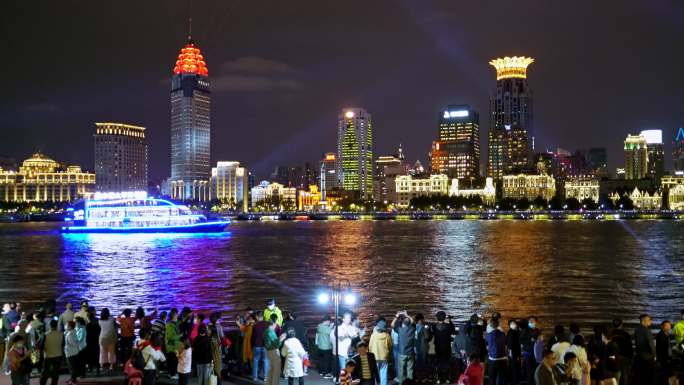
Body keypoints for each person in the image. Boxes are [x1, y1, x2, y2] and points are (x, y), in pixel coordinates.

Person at [392, 310, 415, 384]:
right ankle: (410, 383)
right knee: (410, 370)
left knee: (401, 370)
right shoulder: (412, 329)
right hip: (410, 353)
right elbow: (413, 322)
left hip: (401, 353)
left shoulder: (399, 329)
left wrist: (397, 316)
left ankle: (401, 383)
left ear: (402, 323)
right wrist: (407, 315)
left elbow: (392, 325)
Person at [334, 312, 361, 376]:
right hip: (342, 352)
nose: (349, 319)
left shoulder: (351, 327)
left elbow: (355, 336)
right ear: (343, 319)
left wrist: (357, 332)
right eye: (347, 318)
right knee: (343, 369)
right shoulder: (339, 327)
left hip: (350, 351)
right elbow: (340, 337)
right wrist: (347, 334)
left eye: (349, 318)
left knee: (350, 369)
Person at [633, 314, 656, 385]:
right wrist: (654, 355)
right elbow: (651, 345)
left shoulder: (637, 330)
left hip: (639, 356)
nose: (651, 321)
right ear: (644, 321)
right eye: (649, 320)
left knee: (641, 377)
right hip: (648, 358)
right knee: (649, 377)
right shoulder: (647, 331)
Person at [369, 318, 392, 385]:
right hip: (384, 357)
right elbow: (390, 345)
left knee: (375, 374)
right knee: (384, 373)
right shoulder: (387, 335)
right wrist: (389, 354)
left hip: (375, 357)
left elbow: (370, 346)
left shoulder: (373, 335)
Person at [485, 318, 507, 385]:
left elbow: (487, 346)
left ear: (490, 325)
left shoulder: (488, 335)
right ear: (498, 325)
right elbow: (505, 344)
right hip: (502, 359)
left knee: (492, 378)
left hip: (492, 359)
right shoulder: (503, 334)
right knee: (501, 378)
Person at [611, 318, 633, 385]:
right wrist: (630, 358)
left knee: (614, 375)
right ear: (622, 325)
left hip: (613, 357)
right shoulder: (626, 334)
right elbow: (630, 348)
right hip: (624, 357)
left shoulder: (610, 334)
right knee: (624, 375)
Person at [40, 319, 62, 385]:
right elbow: (62, 344)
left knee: (45, 373)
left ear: (50, 326)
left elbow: (41, 346)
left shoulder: (46, 334)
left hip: (48, 356)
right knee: (56, 373)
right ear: (57, 325)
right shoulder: (61, 334)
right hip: (58, 355)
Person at [521, 316, 540, 385]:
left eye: (533, 321)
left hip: (536, 354)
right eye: (530, 321)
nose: (531, 322)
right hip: (528, 353)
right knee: (530, 372)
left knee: (536, 371)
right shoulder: (525, 331)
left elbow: (539, 341)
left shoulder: (538, 330)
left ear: (536, 322)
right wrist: (530, 340)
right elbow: (522, 341)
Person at [251, 311, 270, 382]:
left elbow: (253, 337)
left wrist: (251, 345)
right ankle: (266, 377)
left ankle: (255, 377)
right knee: (266, 361)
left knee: (255, 361)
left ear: (258, 317)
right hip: (265, 346)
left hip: (256, 345)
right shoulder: (268, 324)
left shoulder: (255, 325)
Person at [165, 309, 182, 380]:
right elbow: (170, 337)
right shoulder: (169, 325)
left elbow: (179, 323)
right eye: (176, 314)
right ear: (173, 316)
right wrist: (180, 335)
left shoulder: (173, 323)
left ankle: (171, 373)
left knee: (173, 360)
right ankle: (172, 374)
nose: (177, 315)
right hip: (172, 347)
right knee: (173, 361)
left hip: (174, 346)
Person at [99, 308, 116, 372]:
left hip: (102, 337)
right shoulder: (111, 319)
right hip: (111, 337)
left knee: (102, 352)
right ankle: (111, 366)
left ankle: (101, 365)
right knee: (111, 352)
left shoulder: (99, 321)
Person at [655, 320, 673, 385]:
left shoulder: (666, 334)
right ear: (662, 327)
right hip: (664, 359)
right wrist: (661, 360)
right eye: (667, 326)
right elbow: (661, 349)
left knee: (666, 375)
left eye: (670, 325)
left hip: (667, 358)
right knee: (664, 375)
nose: (669, 327)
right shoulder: (661, 335)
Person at [85, 307, 101, 375]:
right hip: (96, 340)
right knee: (96, 355)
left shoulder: (88, 325)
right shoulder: (97, 322)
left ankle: (90, 367)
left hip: (89, 341)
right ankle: (97, 369)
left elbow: (87, 334)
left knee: (90, 355)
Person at [506, 319, 522, 385]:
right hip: (513, 354)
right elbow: (510, 345)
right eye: (512, 323)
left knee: (516, 369)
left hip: (516, 353)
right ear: (509, 325)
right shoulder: (511, 332)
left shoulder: (516, 332)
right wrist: (513, 355)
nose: (514, 324)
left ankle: (515, 382)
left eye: (514, 323)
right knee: (514, 369)